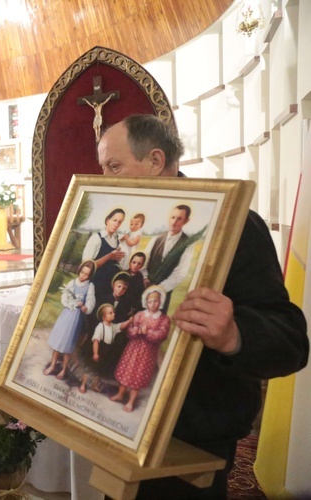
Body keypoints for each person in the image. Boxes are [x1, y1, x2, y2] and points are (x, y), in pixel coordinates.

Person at [98, 114, 308, 497]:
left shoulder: (236, 224)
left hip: (194, 435)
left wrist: (234, 334)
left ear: (156, 161)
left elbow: (291, 342)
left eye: (114, 166)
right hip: (124, 422)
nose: (107, 179)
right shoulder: (142, 232)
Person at [110, 286, 171, 412]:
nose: (153, 304)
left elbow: (162, 335)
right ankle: (120, 394)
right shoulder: (140, 315)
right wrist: (138, 330)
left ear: (160, 302)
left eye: (156, 301)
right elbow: (130, 331)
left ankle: (131, 401)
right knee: (127, 370)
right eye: (150, 301)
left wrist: (147, 332)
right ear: (146, 302)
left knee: (138, 374)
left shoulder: (164, 319)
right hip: (133, 349)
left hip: (147, 352)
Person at [141, 204, 203, 314]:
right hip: (143, 288)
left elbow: (180, 273)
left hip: (161, 295)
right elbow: (144, 262)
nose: (174, 222)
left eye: (179, 219)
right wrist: (145, 277)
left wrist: (159, 289)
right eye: (172, 217)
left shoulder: (187, 245)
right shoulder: (156, 238)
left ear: (186, 221)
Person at [44, 260, 96, 380]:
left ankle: (64, 369)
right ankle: (52, 365)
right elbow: (64, 297)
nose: (83, 276)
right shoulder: (72, 283)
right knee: (59, 342)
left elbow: (90, 301)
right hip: (67, 314)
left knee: (68, 344)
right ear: (79, 271)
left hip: (76, 318)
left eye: (86, 274)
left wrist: (85, 307)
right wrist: (74, 303)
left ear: (90, 276)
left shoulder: (90, 286)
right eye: (82, 272)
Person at [78, 303, 133, 394]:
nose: (113, 314)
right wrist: (95, 353)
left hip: (106, 352)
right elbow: (96, 341)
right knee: (90, 368)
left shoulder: (113, 326)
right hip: (99, 350)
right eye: (110, 313)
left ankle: (94, 384)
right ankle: (83, 384)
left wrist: (129, 321)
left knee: (99, 370)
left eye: (113, 313)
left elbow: (121, 326)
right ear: (104, 317)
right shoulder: (100, 327)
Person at [82, 207, 126, 302]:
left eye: (120, 222)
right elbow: (87, 266)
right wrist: (109, 256)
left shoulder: (117, 239)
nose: (116, 224)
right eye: (114, 220)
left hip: (110, 286)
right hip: (96, 285)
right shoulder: (96, 239)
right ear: (107, 220)